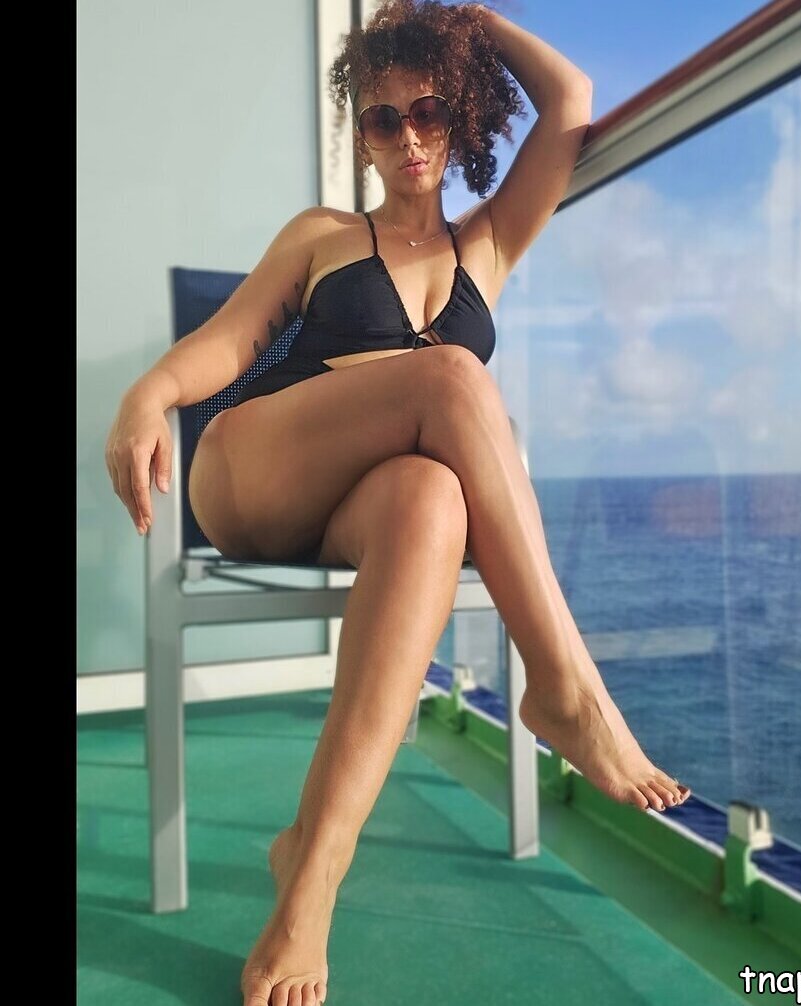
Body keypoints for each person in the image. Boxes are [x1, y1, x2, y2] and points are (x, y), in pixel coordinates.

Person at [104, 2, 690, 1003]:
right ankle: (565, 689)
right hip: (256, 469)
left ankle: (310, 874)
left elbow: (570, 101)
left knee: (429, 499)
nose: (409, 136)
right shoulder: (323, 235)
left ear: (459, 114)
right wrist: (149, 392)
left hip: (365, 506)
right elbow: (236, 340)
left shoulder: (486, 245)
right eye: (383, 118)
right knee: (454, 375)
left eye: (429, 110)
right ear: (362, 134)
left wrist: (468, 21)